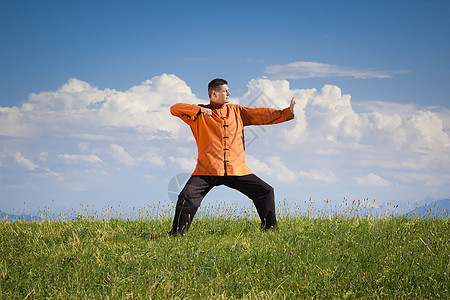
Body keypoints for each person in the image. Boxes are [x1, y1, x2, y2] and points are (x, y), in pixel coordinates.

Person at [169, 78, 295, 235]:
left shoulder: (237, 111)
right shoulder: (198, 114)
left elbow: (261, 115)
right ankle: (177, 235)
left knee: (266, 191)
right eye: (225, 91)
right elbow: (174, 108)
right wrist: (198, 110)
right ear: (214, 93)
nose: (229, 93)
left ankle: (270, 231)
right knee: (186, 197)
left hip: (236, 170)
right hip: (207, 170)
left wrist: (286, 113)